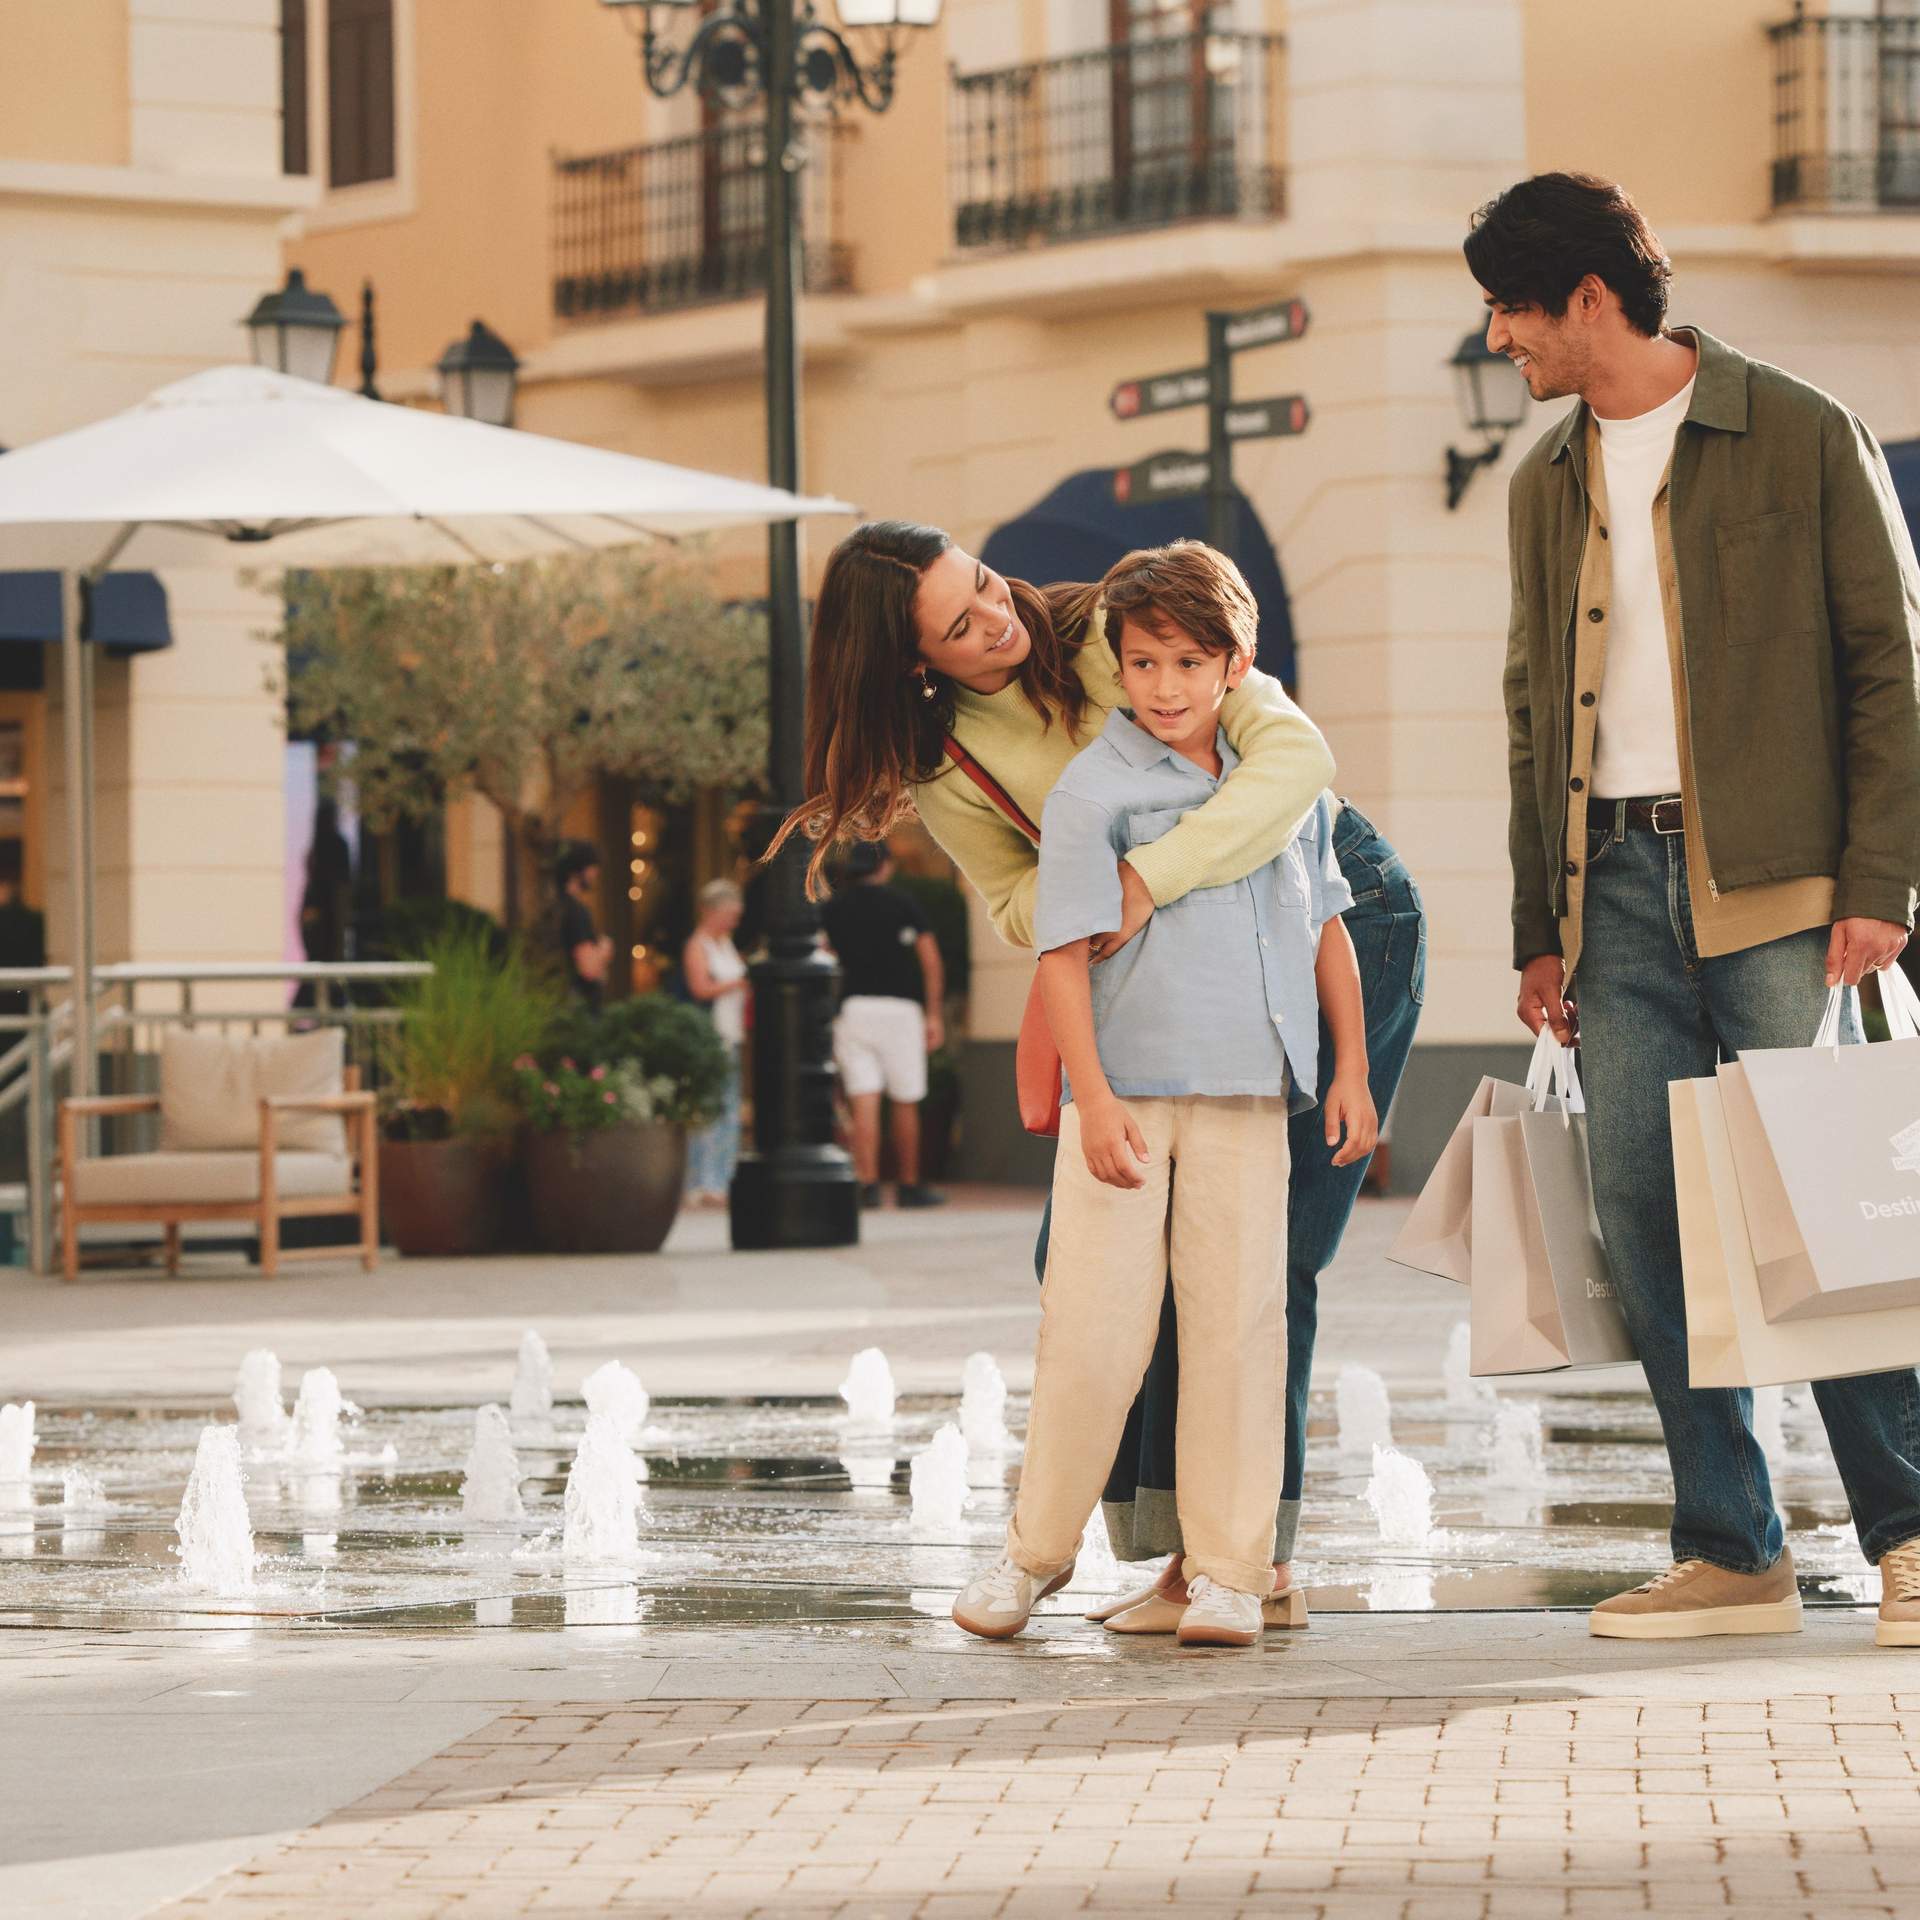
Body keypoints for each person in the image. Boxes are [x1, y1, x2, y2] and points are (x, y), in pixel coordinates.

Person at [773, 526, 1426, 1632]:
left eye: (982, 582)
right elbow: (1025, 909)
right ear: (911, 662)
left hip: (1325, 911)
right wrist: (1096, 889)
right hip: (1162, 980)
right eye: (960, 624)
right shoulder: (950, 766)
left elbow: (1295, 764)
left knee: (1272, 1266)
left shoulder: (1101, 627)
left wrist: (1145, 876)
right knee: (1094, 1276)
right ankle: (1146, 1545)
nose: (997, 616)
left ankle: (1246, 1560)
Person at [1475, 171, 1920, 1644]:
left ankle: (1912, 1532)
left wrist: (1881, 884)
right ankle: (1734, 1546)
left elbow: (1890, 669)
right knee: (1643, 1220)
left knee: (1825, 1211)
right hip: (1611, 895)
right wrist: (1540, 924)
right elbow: (1536, 707)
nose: (1500, 341)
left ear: (1587, 299)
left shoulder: (1795, 429)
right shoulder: (1546, 480)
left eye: (1511, 309)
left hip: (1786, 889)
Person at [949, 568, 1375, 1648]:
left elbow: (1329, 929)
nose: (1166, 684)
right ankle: (1031, 1557)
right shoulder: (1094, 791)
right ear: (1117, 665)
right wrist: (1090, 1099)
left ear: (1237, 670)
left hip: (1247, 1096)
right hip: (1128, 1102)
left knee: (1239, 1330)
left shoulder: (1280, 787)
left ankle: (1232, 1575)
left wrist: (1352, 1070)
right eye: (1143, 662)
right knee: (1092, 1334)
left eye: (1191, 663)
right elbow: (1057, 957)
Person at [821, 841, 948, 1210]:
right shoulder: (904, 903)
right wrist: (934, 1013)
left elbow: (824, 956)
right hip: (901, 1010)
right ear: (885, 867)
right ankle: (909, 1185)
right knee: (905, 1098)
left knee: (864, 1097)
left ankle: (868, 1184)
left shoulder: (835, 908)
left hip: (855, 1008)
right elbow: (931, 961)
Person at [682, 878, 749, 1208]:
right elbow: (699, 988)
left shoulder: (727, 943)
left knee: (729, 1108)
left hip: (732, 1034)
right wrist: (737, 983)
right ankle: (703, 1181)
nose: (734, 920)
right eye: (730, 913)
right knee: (710, 1108)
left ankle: (721, 1178)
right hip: (712, 1035)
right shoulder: (698, 945)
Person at [557, 841, 614, 1012]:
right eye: (592, 867)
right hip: (580, 1010)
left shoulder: (557, 906)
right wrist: (604, 948)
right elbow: (588, 968)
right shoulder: (576, 912)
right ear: (577, 871)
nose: (596, 873)